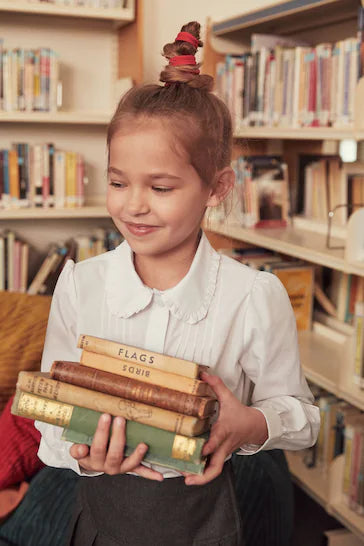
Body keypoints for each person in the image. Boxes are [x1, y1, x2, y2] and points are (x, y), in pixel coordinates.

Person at [35, 21, 320, 546]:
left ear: (217, 187)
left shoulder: (254, 297)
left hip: (204, 520)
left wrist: (251, 424)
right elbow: (51, 420)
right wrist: (83, 454)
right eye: (118, 182)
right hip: (99, 516)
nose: (133, 204)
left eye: (161, 187)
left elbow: (302, 418)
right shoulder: (81, 283)